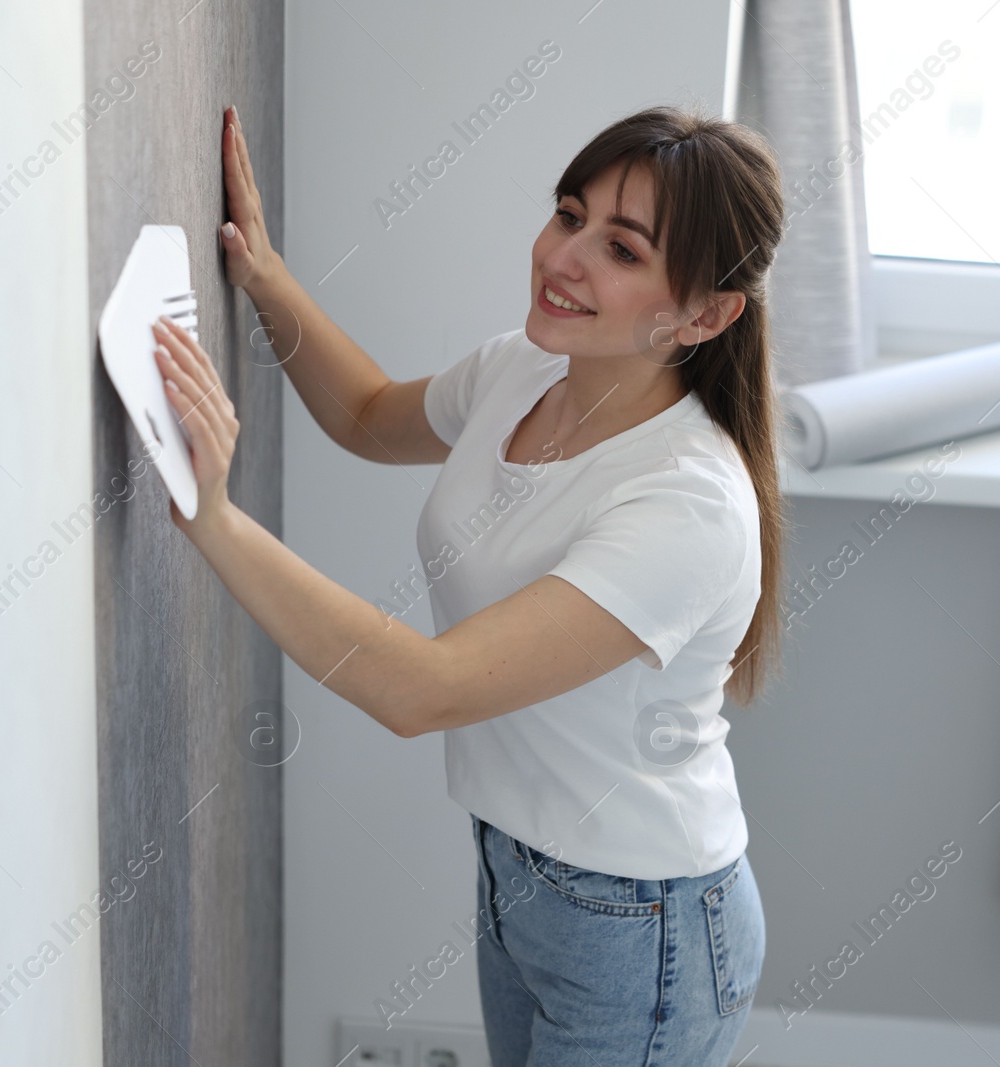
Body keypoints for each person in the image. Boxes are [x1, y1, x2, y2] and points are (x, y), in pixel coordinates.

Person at [151, 101, 789, 1066]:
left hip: (642, 927)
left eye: (621, 249)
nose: (563, 257)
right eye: (568, 214)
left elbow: (425, 689)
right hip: (519, 874)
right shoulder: (530, 367)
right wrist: (265, 278)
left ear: (705, 313)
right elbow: (368, 416)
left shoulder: (687, 503)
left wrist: (216, 519)